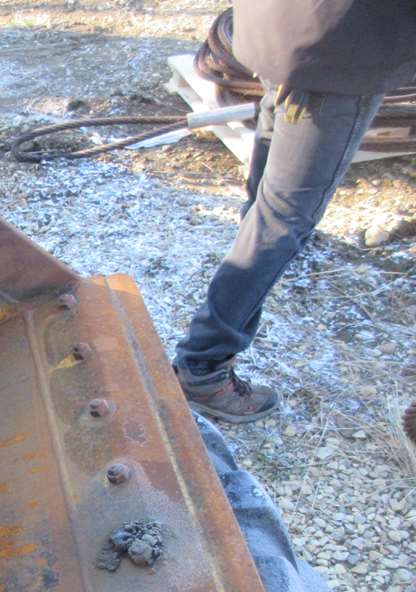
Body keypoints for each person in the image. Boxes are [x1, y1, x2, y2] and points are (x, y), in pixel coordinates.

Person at [173, 0, 416, 423]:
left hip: (284, 28)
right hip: (342, 48)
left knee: (271, 204)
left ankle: (249, 265)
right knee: (282, 220)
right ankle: (203, 369)